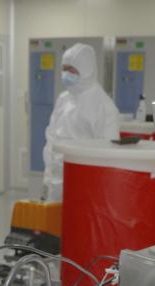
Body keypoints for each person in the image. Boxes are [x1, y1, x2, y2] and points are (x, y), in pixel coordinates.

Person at [42, 43, 120, 201]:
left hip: (85, 186)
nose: (65, 74)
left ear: (86, 70)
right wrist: (47, 176)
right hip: (56, 182)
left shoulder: (104, 107)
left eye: (71, 69)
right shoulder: (63, 99)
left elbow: (108, 155)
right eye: (64, 68)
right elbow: (51, 138)